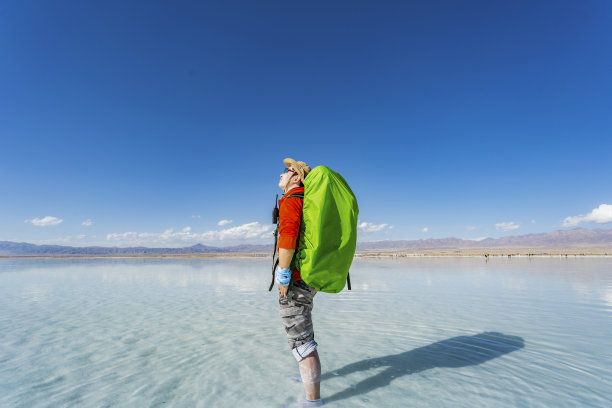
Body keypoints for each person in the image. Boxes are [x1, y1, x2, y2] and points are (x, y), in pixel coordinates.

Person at [276, 158, 323, 407]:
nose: (282, 174)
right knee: (303, 331)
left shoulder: (293, 200)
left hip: (296, 280)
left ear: (297, 178)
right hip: (308, 277)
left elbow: (288, 236)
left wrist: (284, 274)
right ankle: (308, 378)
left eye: (287, 171)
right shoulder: (305, 202)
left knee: (301, 341)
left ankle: (312, 401)